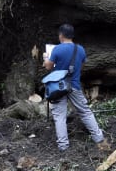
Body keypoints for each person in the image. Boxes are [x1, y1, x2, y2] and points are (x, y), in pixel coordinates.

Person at [43, 23, 110, 153]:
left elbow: (48, 67)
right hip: (74, 85)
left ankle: (63, 146)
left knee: (59, 116)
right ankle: (99, 139)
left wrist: (46, 57)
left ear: (61, 35)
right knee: (85, 112)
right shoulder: (80, 49)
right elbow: (81, 65)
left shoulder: (57, 49)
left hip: (58, 86)